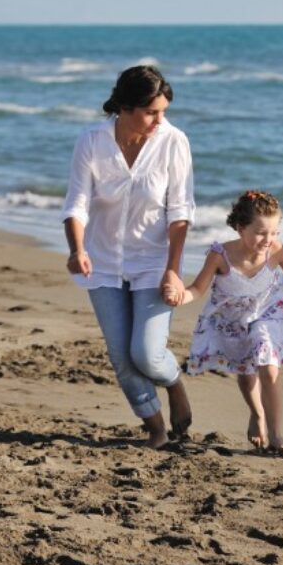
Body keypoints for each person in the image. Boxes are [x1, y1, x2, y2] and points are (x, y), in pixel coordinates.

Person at [62, 65, 195, 450]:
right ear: (125, 107)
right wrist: (77, 248)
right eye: (152, 112)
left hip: (154, 261)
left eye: (164, 112)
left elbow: (180, 212)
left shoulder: (174, 142)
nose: (159, 120)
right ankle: (156, 429)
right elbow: (77, 203)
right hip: (100, 261)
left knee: (147, 354)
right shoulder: (91, 142)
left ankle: (172, 382)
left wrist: (173, 271)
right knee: (122, 357)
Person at [168, 190, 283, 456]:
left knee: (268, 364)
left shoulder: (275, 251)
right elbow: (197, 289)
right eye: (261, 232)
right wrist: (180, 296)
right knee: (245, 372)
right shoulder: (220, 255)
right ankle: (257, 414)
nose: (269, 239)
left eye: (274, 232)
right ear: (240, 228)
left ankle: (275, 436)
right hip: (234, 320)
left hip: (269, 314)